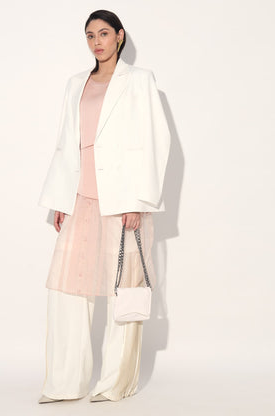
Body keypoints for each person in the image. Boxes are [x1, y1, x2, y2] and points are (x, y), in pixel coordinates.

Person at [37, 9, 171, 404]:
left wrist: (138, 200)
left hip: (121, 200)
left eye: (104, 33)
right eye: (90, 35)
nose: (97, 41)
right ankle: (65, 382)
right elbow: (66, 143)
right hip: (79, 197)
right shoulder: (75, 83)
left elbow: (155, 140)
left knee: (121, 292)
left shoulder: (140, 80)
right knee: (68, 291)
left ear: (119, 36)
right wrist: (60, 199)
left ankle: (115, 382)